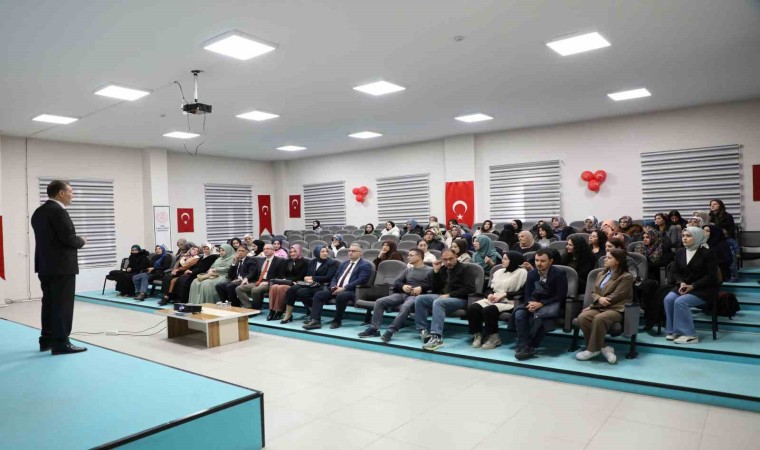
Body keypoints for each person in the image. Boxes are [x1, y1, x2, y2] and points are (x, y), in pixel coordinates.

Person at [31, 180, 88, 355]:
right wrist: (82, 240)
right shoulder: (59, 212)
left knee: (49, 304)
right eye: (71, 191)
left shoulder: (39, 212)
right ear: (61, 193)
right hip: (62, 267)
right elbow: (68, 239)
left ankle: (46, 339)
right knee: (62, 305)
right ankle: (61, 343)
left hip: (45, 266)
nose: (72, 195)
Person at [358, 248, 433, 339]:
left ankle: (391, 330)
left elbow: (434, 284)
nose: (408, 257)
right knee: (380, 302)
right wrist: (403, 286)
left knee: (405, 306)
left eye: (411, 255)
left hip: (417, 297)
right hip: (403, 294)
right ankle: (374, 329)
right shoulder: (408, 270)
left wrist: (421, 287)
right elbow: (397, 282)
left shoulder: (430, 270)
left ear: (419, 257)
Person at [576, 249, 634, 364]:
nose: (605, 259)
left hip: (616, 308)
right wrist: (598, 300)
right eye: (605, 257)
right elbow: (593, 292)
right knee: (583, 317)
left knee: (599, 318)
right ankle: (603, 348)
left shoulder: (626, 277)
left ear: (617, 261)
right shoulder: (601, 273)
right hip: (599, 306)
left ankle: (591, 350)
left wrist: (597, 302)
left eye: (609, 258)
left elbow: (616, 296)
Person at [663, 227, 720, 344]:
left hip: (703, 288)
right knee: (668, 299)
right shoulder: (680, 252)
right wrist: (681, 282)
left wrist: (693, 286)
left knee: (680, 302)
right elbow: (675, 271)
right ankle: (673, 331)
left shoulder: (707, 253)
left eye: (688, 236)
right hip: (684, 286)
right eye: (683, 236)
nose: (684, 238)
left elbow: (711, 276)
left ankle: (690, 335)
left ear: (698, 237)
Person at [510, 249, 568, 360]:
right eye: (536, 260)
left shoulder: (559, 274)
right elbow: (527, 293)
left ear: (551, 261)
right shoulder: (531, 274)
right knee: (519, 314)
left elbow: (560, 296)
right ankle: (525, 345)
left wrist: (541, 304)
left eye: (542, 261)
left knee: (540, 317)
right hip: (534, 303)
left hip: (551, 304)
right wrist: (531, 303)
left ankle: (527, 345)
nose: (538, 263)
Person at [414, 249, 477, 351]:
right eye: (445, 260)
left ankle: (436, 337)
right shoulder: (443, 269)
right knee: (420, 299)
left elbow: (470, 288)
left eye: (451, 259)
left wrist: (449, 295)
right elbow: (434, 288)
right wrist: (436, 272)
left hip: (461, 299)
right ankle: (423, 331)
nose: (448, 262)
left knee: (438, 302)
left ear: (456, 257)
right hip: (443, 297)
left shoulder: (466, 269)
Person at [303, 243, 373, 330]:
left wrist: (344, 288)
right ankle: (315, 321)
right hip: (337, 288)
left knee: (341, 296)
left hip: (352, 291)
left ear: (360, 253)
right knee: (319, 295)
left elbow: (361, 280)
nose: (350, 253)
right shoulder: (344, 264)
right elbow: (335, 277)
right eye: (349, 251)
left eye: (353, 251)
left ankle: (337, 321)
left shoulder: (365, 265)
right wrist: (333, 286)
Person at [467, 251, 528, 350]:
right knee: (473, 308)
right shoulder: (498, 272)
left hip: (509, 301)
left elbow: (524, 291)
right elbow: (490, 288)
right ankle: (478, 335)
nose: (502, 261)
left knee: (489, 310)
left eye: (505, 259)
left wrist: (505, 294)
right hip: (494, 299)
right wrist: (489, 294)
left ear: (513, 260)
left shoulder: (522, 273)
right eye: (503, 258)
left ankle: (494, 337)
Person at [280, 246, 339, 324]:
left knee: (302, 292)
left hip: (322, 285)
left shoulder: (331, 263)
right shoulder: (313, 262)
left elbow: (329, 277)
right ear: (317, 253)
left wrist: (313, 278)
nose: (325, 253)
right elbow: (308, 274)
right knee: (292, 289)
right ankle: (288, 314)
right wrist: (307, 278)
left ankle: (312, 314)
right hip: (311, 284)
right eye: (322, 252)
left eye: (326, 251)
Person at [234, 243, 285, 309]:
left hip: (269, 282)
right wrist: (247, 278)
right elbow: (254, 272)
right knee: (239, 288)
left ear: (273, 250)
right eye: (264, 249)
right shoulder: (261, 260)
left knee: (255, 290)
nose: (265, 250)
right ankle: (248, 307)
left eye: (268, 249)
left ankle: (256, 308)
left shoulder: (280, 261)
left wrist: (268, 282)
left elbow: (281, 276)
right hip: (258, 281)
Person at [267, 244, 308, 320]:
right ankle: (272, 311)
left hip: (297, 283)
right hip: (286, 281)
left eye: (295, 252)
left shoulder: (305, 262)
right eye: (291, 252)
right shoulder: (286, 261)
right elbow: (281, 273)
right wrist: (284, 279)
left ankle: (280, 311)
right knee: (274, 287)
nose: (292, 254)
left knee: (281, 288)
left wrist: (289, 280)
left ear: (299, 251)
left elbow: (302, 275)